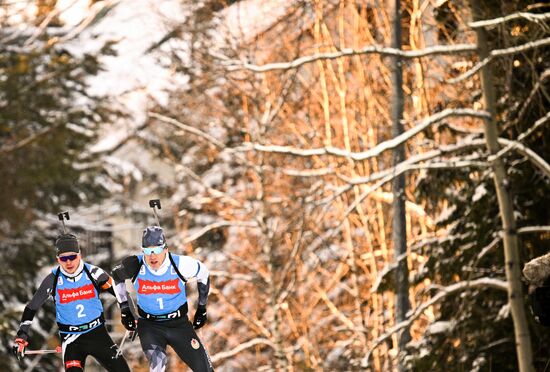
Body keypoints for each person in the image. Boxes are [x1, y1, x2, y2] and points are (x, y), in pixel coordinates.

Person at [12, 233, 131, 372]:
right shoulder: (53, 279)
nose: (68, 262)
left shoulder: (94, 273)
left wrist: (128, 312)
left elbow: (121, 293)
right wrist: (22, 335)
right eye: (63, 258)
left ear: (79, 255)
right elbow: (32, 307)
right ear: (58, 259)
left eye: (72, 257)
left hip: (98, 335)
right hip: (71, 340)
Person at [112, 226, 213, 372]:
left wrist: (202, 308)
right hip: (150, 326)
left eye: (157, 250)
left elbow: (203, 272)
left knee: (204, 368)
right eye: (147, 251)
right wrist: (124, 308)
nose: (152, 256)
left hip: (179, 325)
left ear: (165, 249)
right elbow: (116, 277)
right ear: (142, 251)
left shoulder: (180, 264)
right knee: (158, 364)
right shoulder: (135, 265)